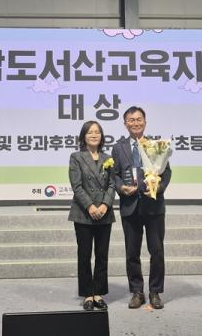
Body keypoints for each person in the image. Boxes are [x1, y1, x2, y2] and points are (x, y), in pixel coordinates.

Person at [112, 106, 171, 310]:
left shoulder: (156, 146)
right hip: (130, 206)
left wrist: (158, 188)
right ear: (125, 124)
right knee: (132, 252)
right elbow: (114, 175)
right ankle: (137, 292)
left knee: (157, 251)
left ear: (145, 122)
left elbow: (166, 173)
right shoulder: (118, 148)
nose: (135, 123)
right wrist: (121, 187)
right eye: (131, 120)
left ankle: (155, 292)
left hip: (154, 206)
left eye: (139, 119)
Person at [68, 120, 116, 311]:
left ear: (101, 136)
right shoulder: (76, 157)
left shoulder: (108, 158)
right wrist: (90, 206)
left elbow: (112, 184)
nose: (94, 135)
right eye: (90, 132)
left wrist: (105, 204)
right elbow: (76, 185)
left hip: (104, 212)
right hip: (83, 213)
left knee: (102, 255)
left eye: (97, 132)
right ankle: (88, 294)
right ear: (83, 136)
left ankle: (99, 293)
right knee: (84, 254)